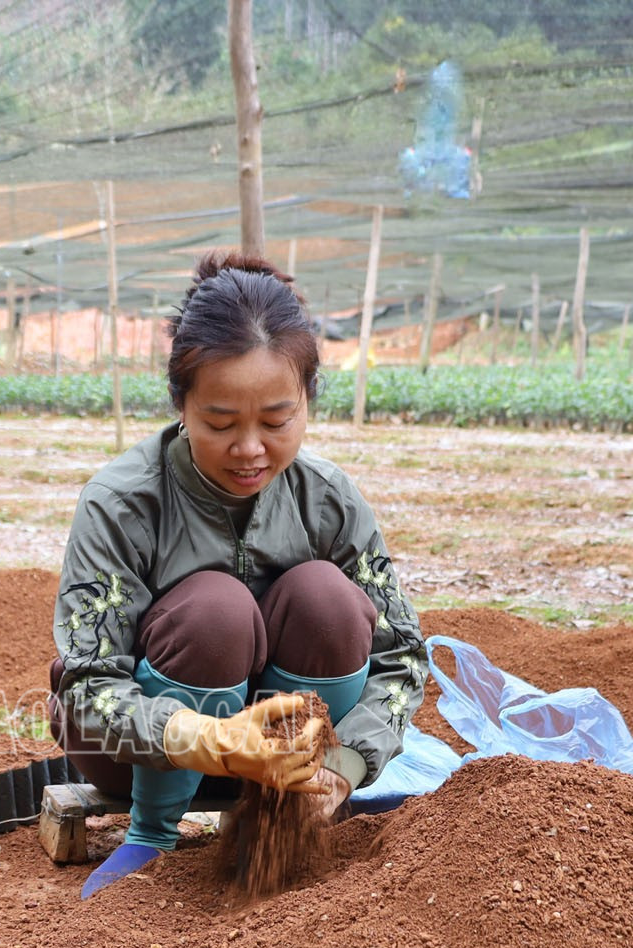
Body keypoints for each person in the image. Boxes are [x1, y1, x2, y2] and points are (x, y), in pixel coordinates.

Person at [52, 251, 427, 899]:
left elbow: (402, 660)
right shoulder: (123, 502)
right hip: (138, 758)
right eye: (220, 424)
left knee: (328, 600)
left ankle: (288, 817)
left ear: (308, 401)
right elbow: (88, 687)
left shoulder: (330, 502)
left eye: (277, 422)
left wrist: (343, 764)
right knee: (216, 609)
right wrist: (216, 739)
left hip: (282, 779)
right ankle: (152, 836)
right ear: (180, 405)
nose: (250, 449)